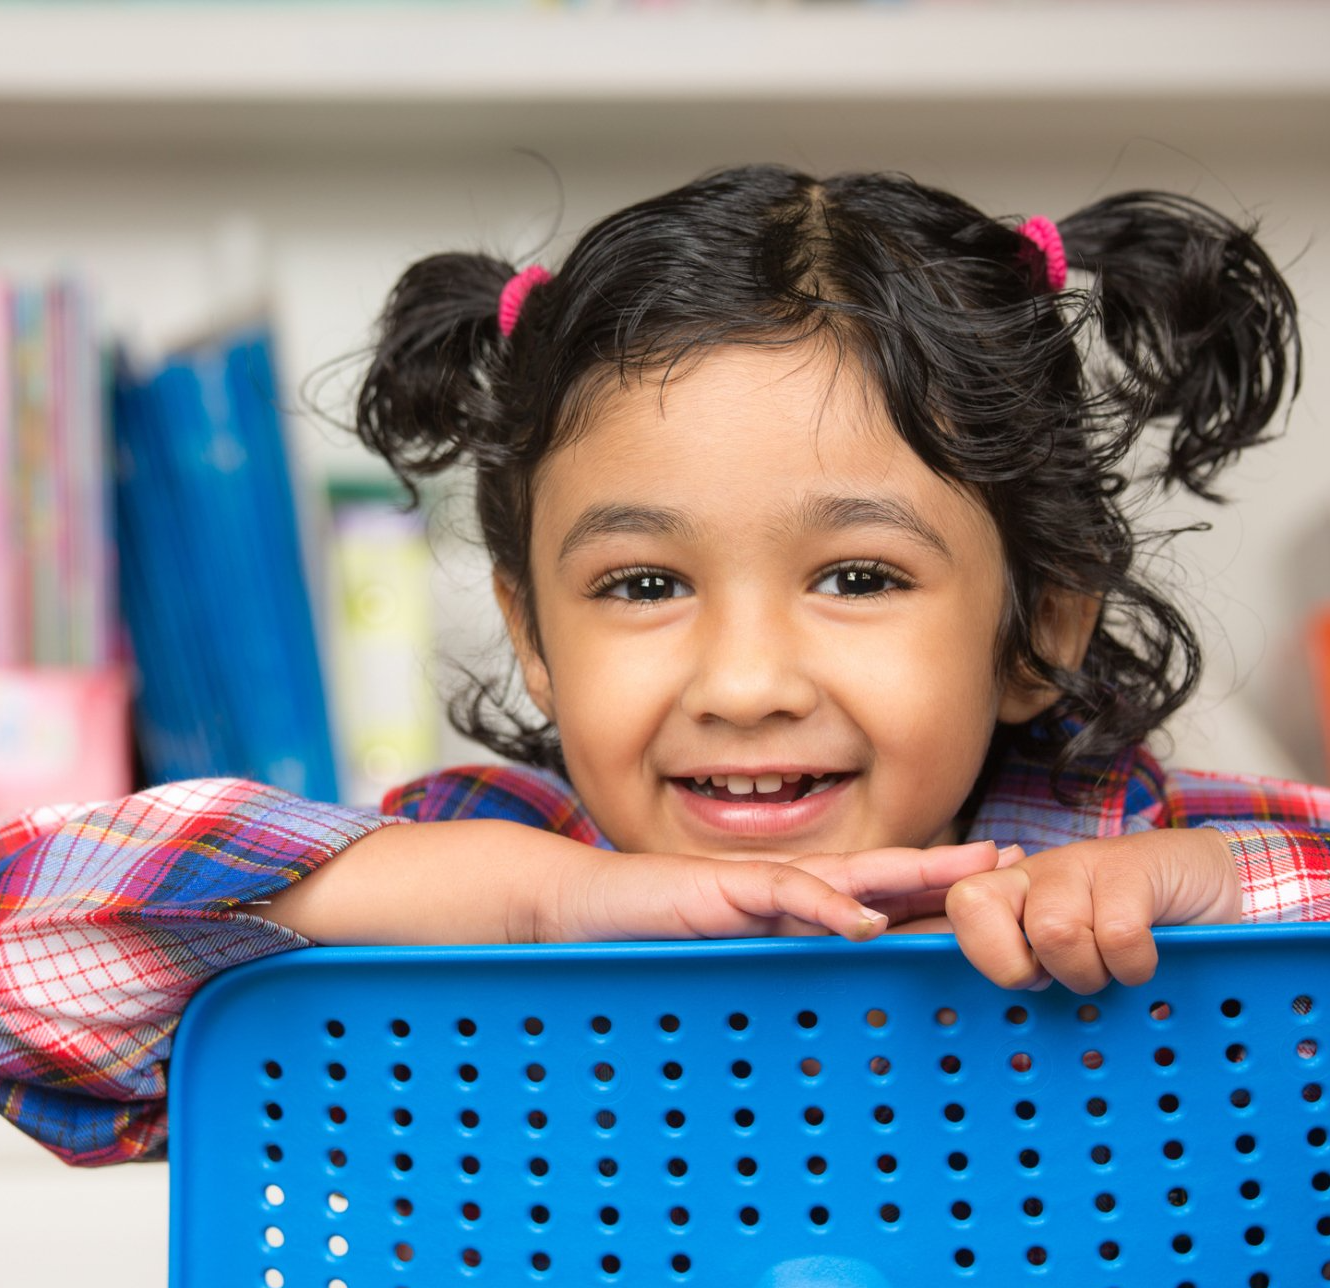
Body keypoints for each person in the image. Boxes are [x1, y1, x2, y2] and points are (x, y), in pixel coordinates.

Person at [3, 165, 1328, 1167]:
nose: (743, 681)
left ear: (1038, 625)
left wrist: (1221, 907)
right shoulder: (475, 879)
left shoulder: (1139, 853)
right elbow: (26, 952)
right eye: (642, 585)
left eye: (856, 577)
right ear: (531, 632)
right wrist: (530, 908)